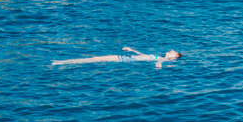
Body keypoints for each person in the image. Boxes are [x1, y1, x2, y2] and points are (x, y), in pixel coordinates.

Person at [52, 47, 182, 68]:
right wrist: (132, 49)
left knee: (96, 59)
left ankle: (61, 62)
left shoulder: (163, 59)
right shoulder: (158, 56)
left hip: (124, 59)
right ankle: (62, 62)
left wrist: (159, 65)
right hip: (126, 57)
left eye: (173, 51)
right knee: (96, 58)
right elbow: (142, 55)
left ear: (175, 56)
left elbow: (160, 62)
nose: (170, 50)